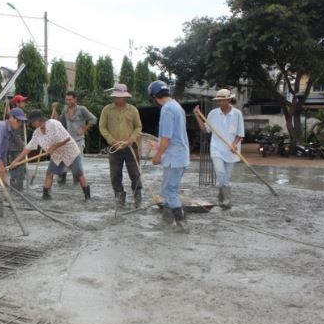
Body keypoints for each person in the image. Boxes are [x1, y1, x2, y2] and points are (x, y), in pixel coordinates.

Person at [10, 110, 91, 201]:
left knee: (78, 174)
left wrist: (53, 147)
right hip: (57, 155)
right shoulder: (37, 133)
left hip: (70, 151)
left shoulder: (53, 124)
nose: (31, 124)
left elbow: (67, 138)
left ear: (38, 120)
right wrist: (16, 161)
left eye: (32, 122)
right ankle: (46, 197)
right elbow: (28, 148)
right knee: (49, 173)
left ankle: (87, 197)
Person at [148, 80, 190, 232]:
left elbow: (167, 138)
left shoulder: (167, 110)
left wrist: (158, 155)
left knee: (168, 190)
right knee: (169, 188)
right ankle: (166, 220)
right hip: (181, 155)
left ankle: (182, 223)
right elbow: (174, 135)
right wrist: (158, 145)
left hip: (174, 157)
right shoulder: (177, 106)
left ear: (154, 96)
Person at [193, 89, 244, 209]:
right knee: (221, 173)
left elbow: (240, 134)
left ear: (228, 100)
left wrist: (234, 144)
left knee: (225, 178)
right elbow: (205, 130)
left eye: (222, 100)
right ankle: (226, 201)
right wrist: (197, 116)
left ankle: (222, 200)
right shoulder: (213, 113)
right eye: (219, 100)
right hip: (216, 149)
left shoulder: (237, 114)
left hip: (231, 151)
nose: (220, 102)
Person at [99, 83, 143, 208]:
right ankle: (119, 194)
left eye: (120, 97)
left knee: (135, 172)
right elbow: (102, 127)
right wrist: (111, 140)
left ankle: (137, 194)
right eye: (116, 97)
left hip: (130, 147)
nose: (118, 99)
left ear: (125, 97)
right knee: (115, 174)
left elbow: (138, 127)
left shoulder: (133, 110)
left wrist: (131, 139)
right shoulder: (107, 110)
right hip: (114, 147)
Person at [51, 91, 97, 185]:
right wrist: (54, 110)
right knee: (64, 163)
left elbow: (93, 119)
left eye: (70, 99)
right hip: (67, 141)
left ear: (75, 99)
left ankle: (78, 187)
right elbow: (59, 122)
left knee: (76, 165)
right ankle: (62, 185)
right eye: (67, 99)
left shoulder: (82, 109)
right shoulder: (65, 109)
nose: (68, 101)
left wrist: (84, 129)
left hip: (79, 140)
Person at [7, 94, 28, 191]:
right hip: (16, 148)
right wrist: (24, 146)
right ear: (17, 103)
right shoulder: (15, 116)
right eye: (23, 101)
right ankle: (17, 189)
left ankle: (16, 188)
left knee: (17, 168)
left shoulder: (21, 114)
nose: (25, 103)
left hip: (17, 147)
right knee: (18, 168)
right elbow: (16, 135)